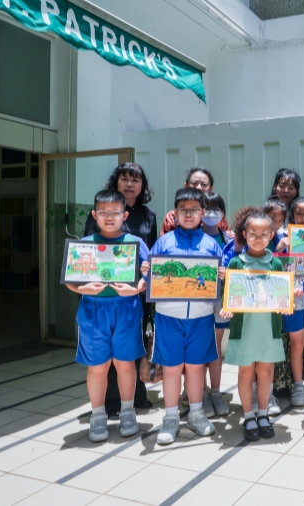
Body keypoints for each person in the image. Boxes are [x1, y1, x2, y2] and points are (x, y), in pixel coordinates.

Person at [69, 189, 149, 442]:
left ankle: (127, 412)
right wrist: (83, 288)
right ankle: (98, 415)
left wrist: (136, 288)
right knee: (98, 365)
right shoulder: (85, 245)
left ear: (124, 214)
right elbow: (70, 281)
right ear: (95, 215)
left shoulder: (135, 243)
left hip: (126, 309)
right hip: (93, 310)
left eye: (115, 212)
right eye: (103, 213)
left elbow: (149, 277)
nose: (109, 217)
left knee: (125, 362)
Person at [149, 188, 225, 445]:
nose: (189, 214)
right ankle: (170, 419)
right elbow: (153, 277)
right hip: (168, 316)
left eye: (194, 209)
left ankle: (196, 413)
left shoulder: (212, 244)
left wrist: (223, 279)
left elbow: (219, 280)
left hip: (202, 316)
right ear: (176, 213)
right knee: (171, 368)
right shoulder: (164, 242)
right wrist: (147, 270)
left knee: (195, 367)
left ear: (203, 212)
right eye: (184, 210)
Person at [83, 163, 156, 416]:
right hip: (101, 297)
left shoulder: (149, 215)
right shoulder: (100, 214)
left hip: (133, 295)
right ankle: (108, 405)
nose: (129, 184)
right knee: (102, 359)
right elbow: (85, 258)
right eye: (124, 179)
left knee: (129, 352)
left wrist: (142, 288)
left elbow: (151, 257)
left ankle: (133, 401)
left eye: (135, 180)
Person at [219, 209, 288, 441]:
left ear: (271, 235)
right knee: (246, 372)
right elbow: (229, 294)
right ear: (244, 234)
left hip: (268, 328)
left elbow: (282, 295)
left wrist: (285, 303)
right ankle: (248, 415)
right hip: (244, 327)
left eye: (264, 233)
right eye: (253, 233)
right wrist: (227, 306)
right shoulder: (236, 262)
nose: (258, 238)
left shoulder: (276, 263)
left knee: (266, 370)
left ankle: (262, 413)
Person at [282, 197, 304, 407]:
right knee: (296, 343)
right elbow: (277, 263)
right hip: (292, 297)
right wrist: (280, 246)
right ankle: (297, 384)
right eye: (299, 214)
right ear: (292, 215)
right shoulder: (283, 237)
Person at [202, 192, 232, 418]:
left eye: (216, 209)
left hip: (221, 300)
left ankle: (216, 392)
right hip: (199, 300)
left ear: (223, 214)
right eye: (207, 208)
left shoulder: (229, 240)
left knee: (216, 346)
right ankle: (200, 392)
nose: (211, 213)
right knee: (200, 346)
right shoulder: (193, 237)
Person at [160, 167, 231, 235]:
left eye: (204, 184)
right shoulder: (173, 218)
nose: (199, 187)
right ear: (186, 186)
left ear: (211, 188)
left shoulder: (217, 217)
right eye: (194, 183)